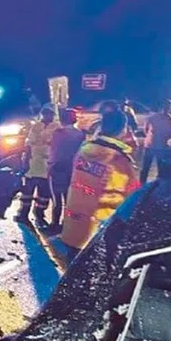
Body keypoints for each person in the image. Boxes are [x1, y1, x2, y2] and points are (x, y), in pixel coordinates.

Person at [60, 111, 141, 260]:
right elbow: (131, 197)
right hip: (97, 232)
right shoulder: (118, 160)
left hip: (74, 225)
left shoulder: (85, 149)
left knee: (72, 264)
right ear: (123, 129)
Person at [16, 105, 60, 229]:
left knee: (44, 194)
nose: (47, 116)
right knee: (27, 192)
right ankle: (23, 214)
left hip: (47, 165)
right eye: (45, 113)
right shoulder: (36, 126)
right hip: (33, 163)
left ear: (53, 115)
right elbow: (28, 145)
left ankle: (39, 214)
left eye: (49, 113)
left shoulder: (57, 128)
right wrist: (25, 161)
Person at [46, 108, 85, 234]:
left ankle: (55, 224)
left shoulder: (58, 133)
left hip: (57, 169)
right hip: (72, 170)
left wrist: (49, 165)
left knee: (57, 200)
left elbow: (53, 151)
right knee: (69, 199)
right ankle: (67, 224)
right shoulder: (80, 134)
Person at [139, 99, 171, 183]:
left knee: (145, 168)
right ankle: (158, 186)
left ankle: (141, 186)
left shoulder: (152, 118)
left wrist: (151, 136)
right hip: (161, 146)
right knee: (161, 169)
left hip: (150, 145)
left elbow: (145, 130)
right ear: (170, 108)